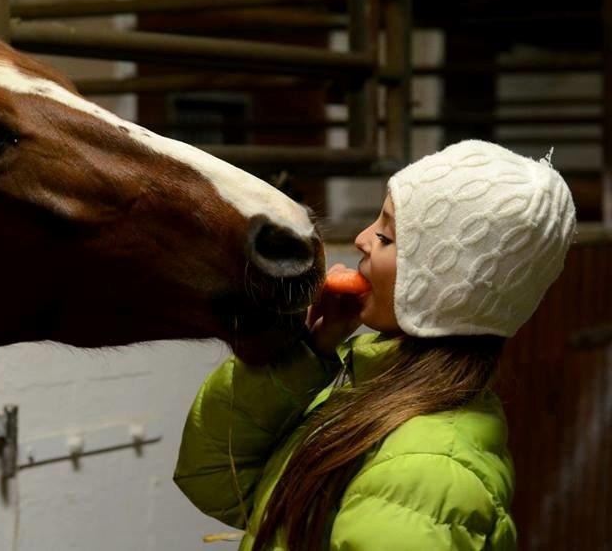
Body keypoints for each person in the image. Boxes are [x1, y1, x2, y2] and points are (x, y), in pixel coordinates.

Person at [174, 140, 576, 551]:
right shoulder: (368, 394)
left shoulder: (425, 468)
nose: (364, 238)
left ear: (440, 287)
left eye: (386, 236)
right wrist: (310, 351)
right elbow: (212, 478)